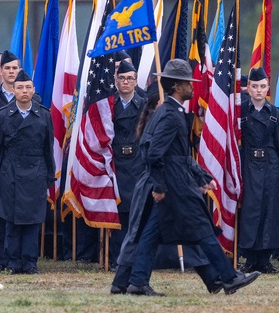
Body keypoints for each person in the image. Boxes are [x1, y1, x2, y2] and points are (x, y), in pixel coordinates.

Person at [112, 59, 261, 296]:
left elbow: (175, 154)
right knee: (202, 229)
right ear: (177, 86)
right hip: (175, 185)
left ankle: (137, 281)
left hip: (174, 181)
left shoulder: (169, 112)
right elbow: (153, 152)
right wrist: (160, 185)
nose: (193, 87)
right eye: (188, 83)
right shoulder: (170, 115)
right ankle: (230, 277)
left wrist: (200, 175)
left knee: (151, 233)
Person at [0, 70, 55, 274]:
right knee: (11, 220)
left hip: (36, 172)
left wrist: (49, 174)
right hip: (10, 172)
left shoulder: (44, 115)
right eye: (20, 87)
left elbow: (49, 148)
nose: (24, 91)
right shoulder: (3, 115)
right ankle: (12, 262)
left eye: (28, 87)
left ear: (33, 90)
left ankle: (30, 262)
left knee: (33, 220)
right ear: (14, 90)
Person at [238, 66, 279, 274]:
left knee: (269, 211)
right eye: (255, 86)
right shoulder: (241, 111)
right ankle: (250, 258)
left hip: (270, 167)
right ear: (248, 88)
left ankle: (265, 259)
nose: (259, 90)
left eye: (263, 86)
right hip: (248, 166)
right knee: (250, 210)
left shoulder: (275, 113)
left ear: (268, 88)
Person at [110, 60, 146, 271]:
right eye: (122, 78)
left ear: (136, 81)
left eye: (130, 79)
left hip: (136, 164)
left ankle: (134, 260)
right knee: (117, 215)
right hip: (115, 163)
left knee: (136, 215)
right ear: (116, 80)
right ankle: (118, 260)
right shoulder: (108, 104)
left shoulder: (144, 105)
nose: (125, 82)